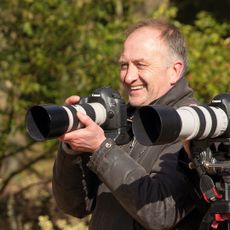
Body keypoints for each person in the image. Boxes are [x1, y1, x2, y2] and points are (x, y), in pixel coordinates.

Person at [52, 19, 207, 229]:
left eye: (141, 65)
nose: (128, 76)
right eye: (124, 65)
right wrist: (71, 148)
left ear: (174, 71)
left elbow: (161, 212)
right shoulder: (121, 119)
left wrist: (101, 149)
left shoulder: (191, 126)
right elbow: (74, 205)